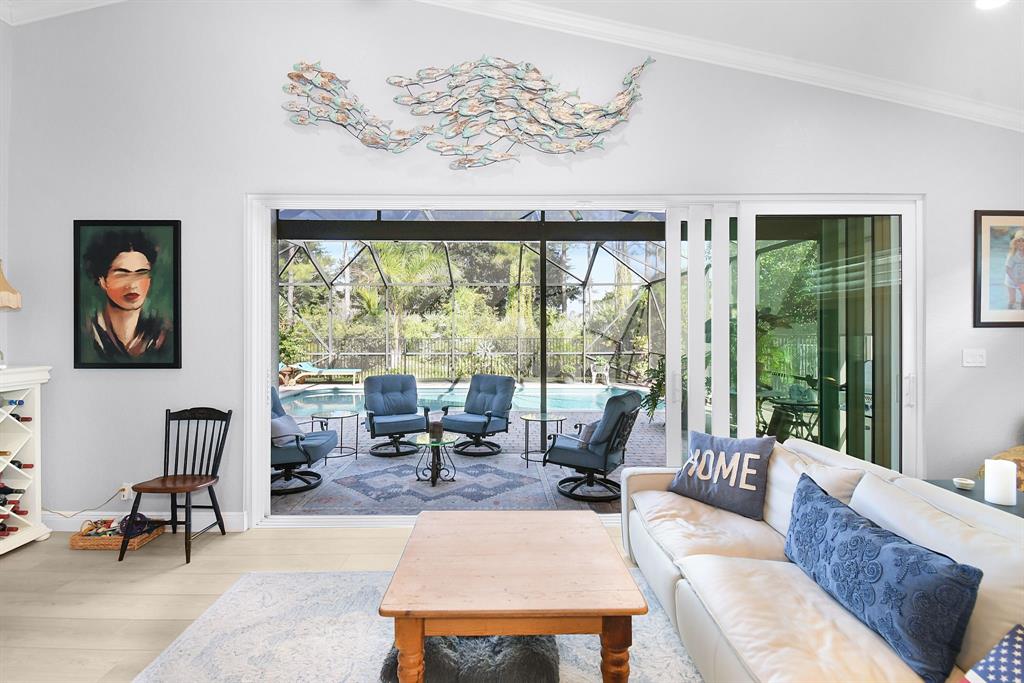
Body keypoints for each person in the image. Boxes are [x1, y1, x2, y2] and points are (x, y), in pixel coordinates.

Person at [83, 229, 170, 360]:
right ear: (102, 281)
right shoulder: (87, 334)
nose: (133, 285)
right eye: (122, 274)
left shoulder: (164, 334)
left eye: (141, 273)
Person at [1006, 229, 1024, 311]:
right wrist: (1014, 279)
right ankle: (1010, 309)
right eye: (1018, 241)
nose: (1021, 243)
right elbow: (1008, 269)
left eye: (1023, 241)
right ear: (1015, 243)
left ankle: (1022, 309)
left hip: (1022, 279)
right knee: (1012, 299)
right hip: (1012, 279)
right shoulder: (1012, 255)